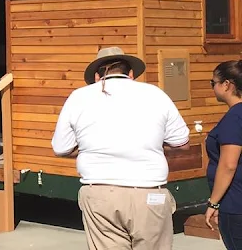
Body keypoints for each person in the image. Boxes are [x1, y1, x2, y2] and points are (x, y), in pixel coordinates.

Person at [51, 46, 190, 250]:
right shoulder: (155, 94)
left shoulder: (79, 97)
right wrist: (151, 147)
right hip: (149, 191)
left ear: (97, 76)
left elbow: (61, 148)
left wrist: (91, 149)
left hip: (99, 191)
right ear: (131, 73)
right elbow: (182, 143)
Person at [204, 60, 242, 249]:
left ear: (226, 84)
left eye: (213, 83)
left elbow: (228, 164)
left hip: (235, 205)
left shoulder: (234, 118)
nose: (212, 88)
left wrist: (214, 203)